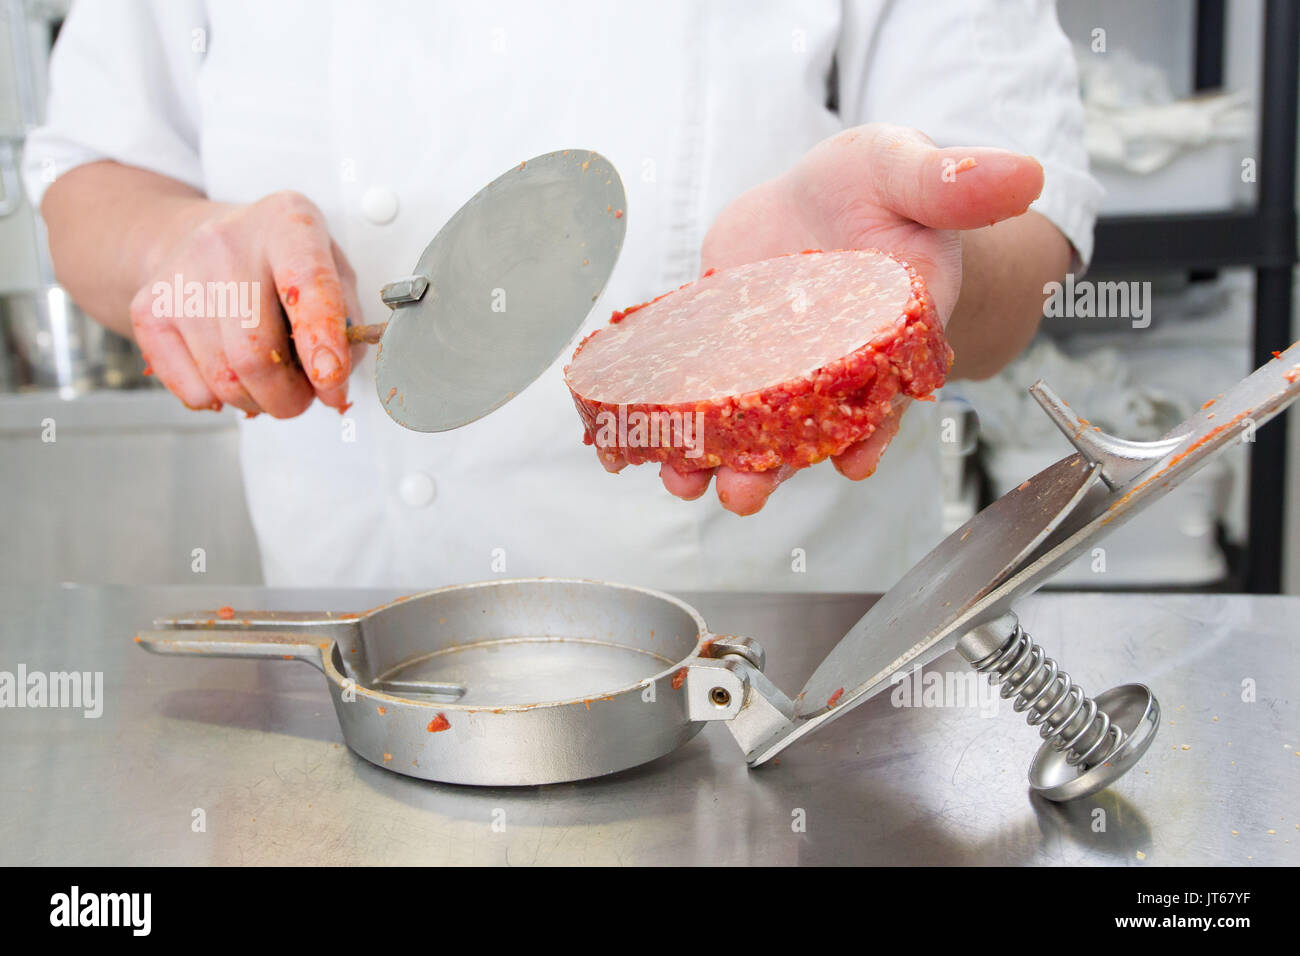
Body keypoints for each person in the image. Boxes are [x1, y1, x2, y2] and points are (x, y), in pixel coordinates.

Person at [23, 0, 1099, 592]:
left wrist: (897, 286)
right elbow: (89, 182)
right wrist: (189, 243)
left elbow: (1010, 245)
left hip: (774, 675)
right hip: (348, 652)